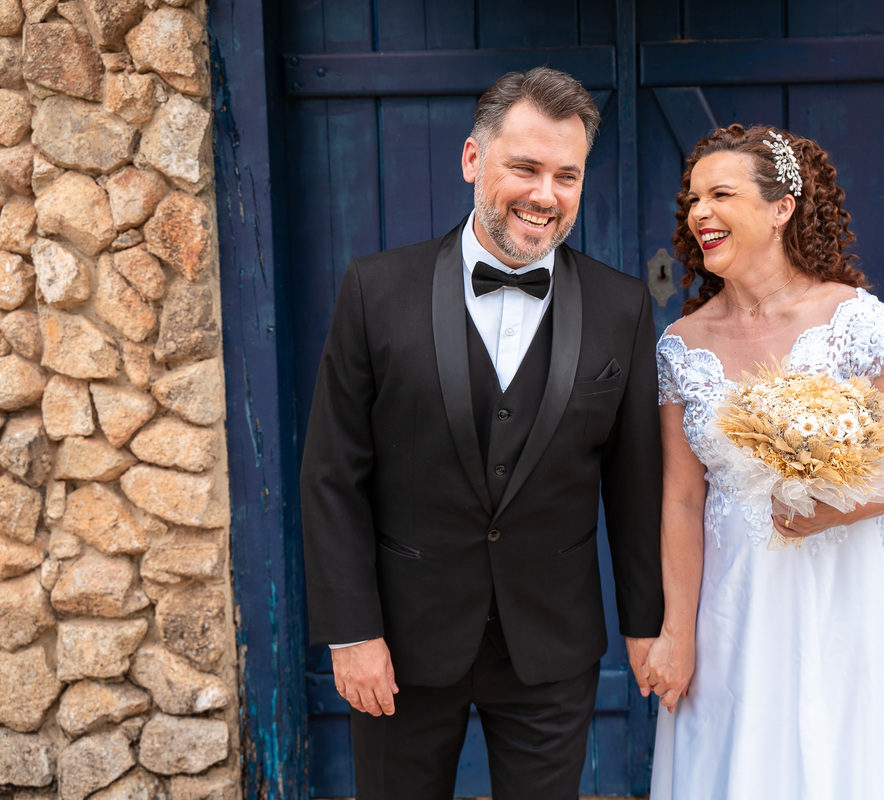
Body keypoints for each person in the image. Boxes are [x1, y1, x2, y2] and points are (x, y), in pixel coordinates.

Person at [299, 68, 664, 800]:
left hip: (552, 645)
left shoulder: (621, 306)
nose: (545, 195)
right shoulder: (375, 291)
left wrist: (647, 621)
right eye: (525, 167)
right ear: (473, 159)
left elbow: (635, 483)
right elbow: (333, 474)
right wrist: (351, 632)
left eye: (567, 175)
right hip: (400, 642)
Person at [644, 124, 884, 798]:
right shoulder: (680, 345)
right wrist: (678, 631)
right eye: (693, 199)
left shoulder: (856, 320)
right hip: (734, 600)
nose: (699, 213)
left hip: (850, 588)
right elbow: (681, 499)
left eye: (720, 194)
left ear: (782, 206)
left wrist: (829, 507)